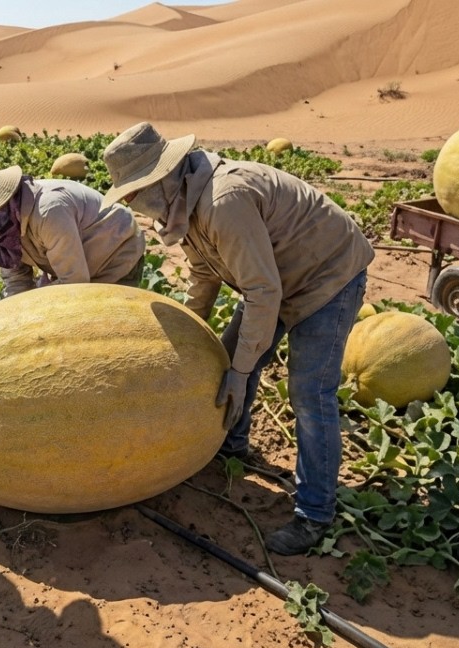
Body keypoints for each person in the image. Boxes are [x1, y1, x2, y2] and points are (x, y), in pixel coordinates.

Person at [102, 122, 375, 555]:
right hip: (274, 278)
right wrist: (192, 331)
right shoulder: (184, 204)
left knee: (308, 393)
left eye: (134, 192)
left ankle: (314, 514)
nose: (133, 203)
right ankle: (232, 444)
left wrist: (242, 370)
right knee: (224, 359)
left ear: (159, 179)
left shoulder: (223, 201)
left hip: (327, 275)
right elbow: (206, 274)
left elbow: (263, 292)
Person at [0, 157, 145, 296]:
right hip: (72, 269)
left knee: (104, 326)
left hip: (116, 254)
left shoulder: (49, 210)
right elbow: (16, 282)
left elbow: (75, 282)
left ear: (1, 201)